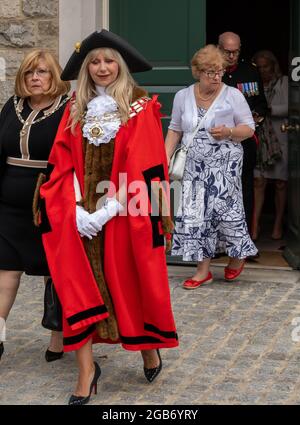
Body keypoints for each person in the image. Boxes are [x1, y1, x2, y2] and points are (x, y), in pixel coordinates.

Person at [39, 30, 178, 405]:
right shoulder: (74, 108)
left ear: (122, 65)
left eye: (109, 60)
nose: (102, 68)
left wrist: (105, 212)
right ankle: (86, 370)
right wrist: (75, 209)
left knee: (129, 283)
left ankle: (147, 345)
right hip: (79, 212)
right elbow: (60, 161)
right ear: (87, 68)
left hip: (121, 211)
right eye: (95, 62)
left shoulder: (140, 105)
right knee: (76, 287)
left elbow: (146, 166)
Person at [165, 44, 257, 289]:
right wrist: (164, 159)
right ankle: (202, 270)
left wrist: (229, 131)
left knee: (225, 212)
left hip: (225, 164)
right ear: (197, 71)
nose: (216, 77)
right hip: (194, 165)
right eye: (210, 72)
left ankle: (238, 256)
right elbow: (175, 129)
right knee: (197, 215)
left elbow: (249, 128)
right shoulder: (183, 96)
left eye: (219, 72)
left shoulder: (233, 95)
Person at [0, 50, 70, 362]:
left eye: (42, 72)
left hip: (50, 201)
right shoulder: (12, 106)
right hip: (9, 204)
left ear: (54, 76)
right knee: (5, 269)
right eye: (29, 73)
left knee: (52, 273)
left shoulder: (69, 108)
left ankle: (57, 338)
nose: (35, 78)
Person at [218, 32, 268, 236]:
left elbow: (261, 103)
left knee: (244, 188)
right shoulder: (212, 72)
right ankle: (218, 240)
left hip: (243, 140)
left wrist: (257, 116)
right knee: (218, 189)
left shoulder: (250, 72)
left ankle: (243, 239)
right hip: (218, 140)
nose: (231, 56)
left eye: (235, 51)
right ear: (218, 48)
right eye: (227, 52)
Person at [251, 50, 289, 240]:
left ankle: (277, 225)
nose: (263, 70)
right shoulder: (252, 85)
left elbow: (291, 106)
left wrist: (267, 110)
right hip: (260, 141)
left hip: (279, 140)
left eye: (266, 66)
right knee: (258, 182)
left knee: (281, 184)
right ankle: (255, 227)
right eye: (258, 67)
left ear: (273, 66)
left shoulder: (284, 83)